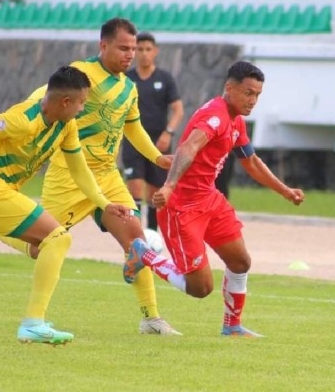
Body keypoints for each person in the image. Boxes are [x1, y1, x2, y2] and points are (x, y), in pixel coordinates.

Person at [0, 18, 180, 336]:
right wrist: (14, 124)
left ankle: (150, 318)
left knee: (135, 240)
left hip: (107, 176)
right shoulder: (81, 73)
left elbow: (132, 127)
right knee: (43, 246)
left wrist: (156, 156)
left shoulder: (128, 88)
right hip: (70, 175)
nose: (130, 55)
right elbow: (43, 98)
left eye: (134, 49)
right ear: (103, 46)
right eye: (123, 48)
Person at [0, 66, 132, 344]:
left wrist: (104, 203)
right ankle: (33, 323)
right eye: (81, 103)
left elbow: (80, 171)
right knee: (57, 239)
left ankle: (32, 319)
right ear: (66, 102)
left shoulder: (65, 127)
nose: (82, 110)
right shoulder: (23, 120)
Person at [122, 61, 305, 337]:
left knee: (241, 261)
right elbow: (188, 147)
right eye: (248, 93)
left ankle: (232, 326)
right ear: (229, 88)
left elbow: (251, 161)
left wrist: (284, 191)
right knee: (200, 288)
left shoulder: (236, 121)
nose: (253, 100)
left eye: (257, 95)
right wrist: (170, 186)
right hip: (182, 207)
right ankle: (143, 253)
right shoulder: (216, 117)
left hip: (209, 199)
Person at [123, 32, 184, 231]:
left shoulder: (165, 79)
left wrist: (168, 132)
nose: (143, 54)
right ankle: (135, 236)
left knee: (155, 193)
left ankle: (152, 236)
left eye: (148, 49)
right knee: (134, 187)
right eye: (139, 49)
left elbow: (178, 110)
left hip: (159, 143)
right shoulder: (127, 79)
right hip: (133, 142)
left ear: (155, 51)